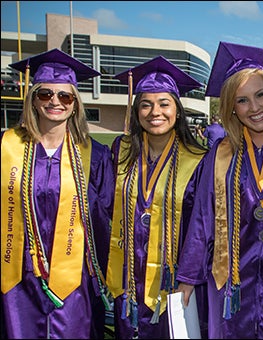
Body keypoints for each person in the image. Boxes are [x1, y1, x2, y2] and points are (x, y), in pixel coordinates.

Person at [176, 41, 263, 338]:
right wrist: (187, 277)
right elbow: (202, 219)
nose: (255, 108)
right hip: (232, 283)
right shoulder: (220, 155)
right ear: (232, 109)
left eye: (261, 94)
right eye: (242, 100)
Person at [1, 48, 114, 338]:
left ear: (75, 104)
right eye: (45, 94)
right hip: (16, 276)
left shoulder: (95, 156)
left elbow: (104, 221)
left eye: (65, 96)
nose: (55, 102)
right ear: (33, 99)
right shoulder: (6, 148)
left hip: (74, 279)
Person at [106, 56, 207, 339]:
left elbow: (200, 228)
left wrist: (188, 278)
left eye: (164, 103)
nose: (155, 112)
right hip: (126, 277)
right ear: (137, 110)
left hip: (171, 282)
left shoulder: (198, 160)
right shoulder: (121, 152)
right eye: (146, 104)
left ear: (177, 109)